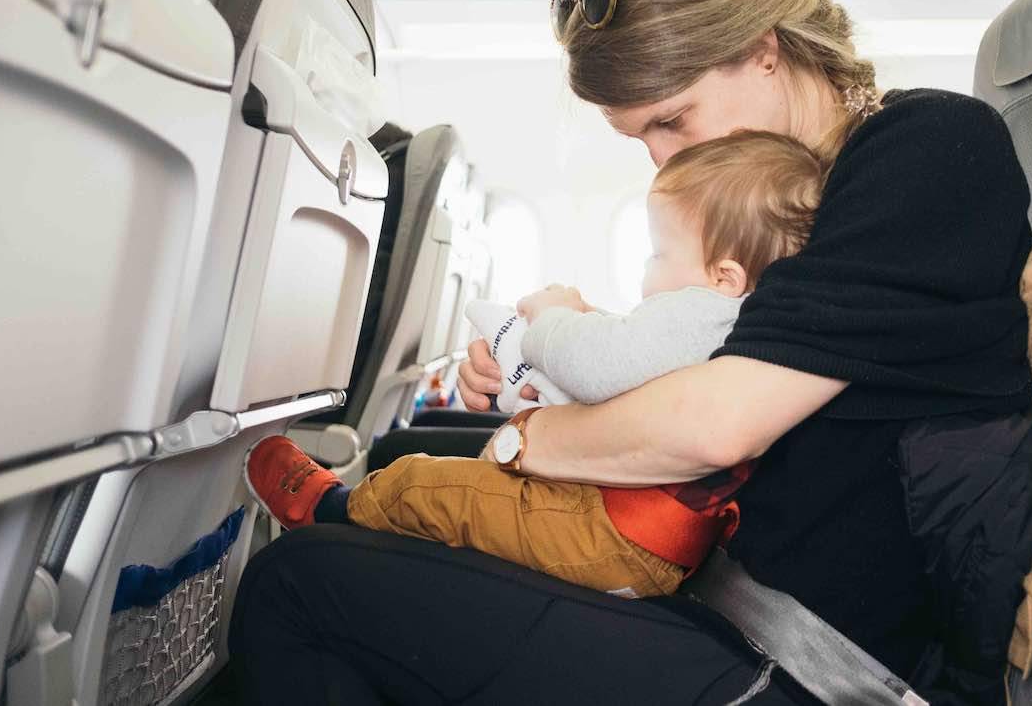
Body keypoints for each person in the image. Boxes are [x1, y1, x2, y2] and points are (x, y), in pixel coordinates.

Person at [229, 0, 1032, 705]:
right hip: (707, 592)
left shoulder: (928, 150)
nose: (662, 157)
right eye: (641, 138)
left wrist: (531, 439)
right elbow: (706, 352)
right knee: (403, 469)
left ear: (763, 51)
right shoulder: (791, 194)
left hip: (799, 664)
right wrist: (542, 357)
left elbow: (715, 424)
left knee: (294, 585)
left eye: (672, 119)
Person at [243, 131, 827, 599]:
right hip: (641, 537)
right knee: (469, 491)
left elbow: (599, 366)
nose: (649, 271)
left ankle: (331, 511)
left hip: (610, 531)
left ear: (724, 275)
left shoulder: (703, 311)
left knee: (424, 482)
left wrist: (553, 317)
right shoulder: (736, 320)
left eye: (659, 253)